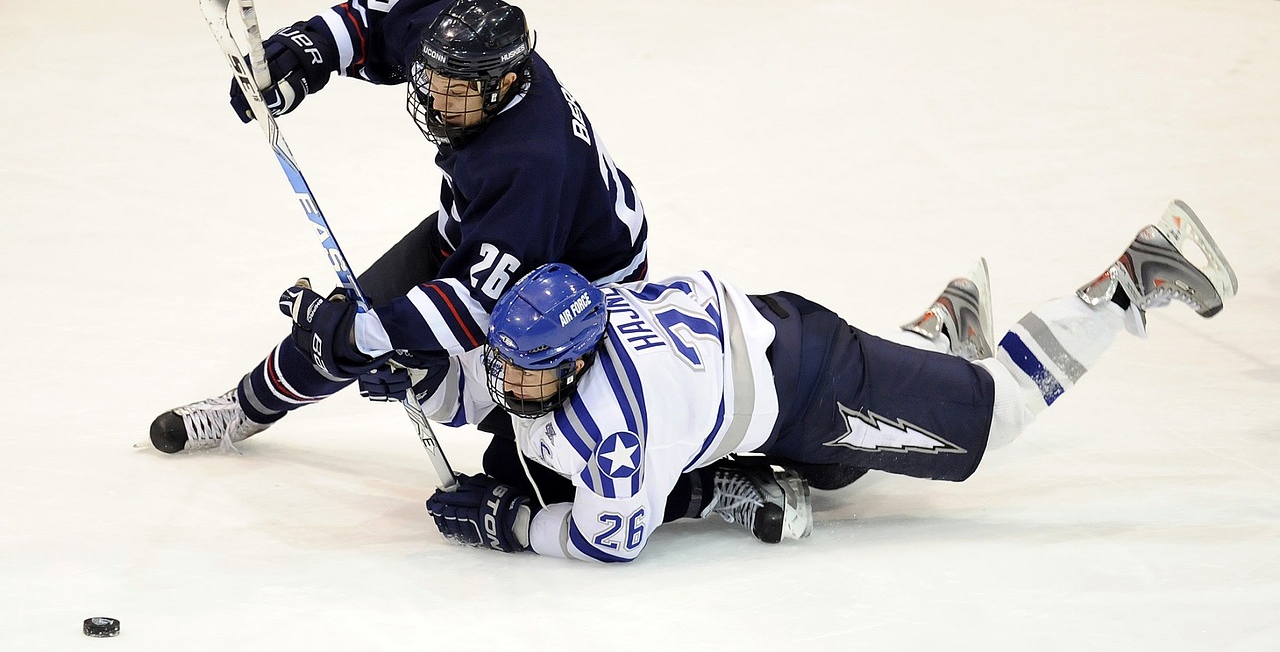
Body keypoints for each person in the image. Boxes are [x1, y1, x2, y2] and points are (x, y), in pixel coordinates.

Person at [386, 199, 1233, 562]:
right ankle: (940, 335)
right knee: (833, 472)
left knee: (998, 415)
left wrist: (514, 525)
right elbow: (492, 386)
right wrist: (418, 382)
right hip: (774, 342)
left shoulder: (616, 426)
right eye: (505, 358)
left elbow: (611, 539)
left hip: (813, 384)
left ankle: (1128, 282)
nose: (508, 378)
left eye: (529, 371)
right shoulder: (570, 328)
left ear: (571, 362)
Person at [149, 0, 656, 501]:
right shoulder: (457, 43)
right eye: (432, 81)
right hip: (485, 228)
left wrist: (373, 336)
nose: (437, 102)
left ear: (505, 83)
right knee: (342, 323)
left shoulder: (532, 162)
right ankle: (244, 407)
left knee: (528, 462)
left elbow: (473, 304)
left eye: (456, 93)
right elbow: (377, 16)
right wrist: (304, 53)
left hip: (574, 284)